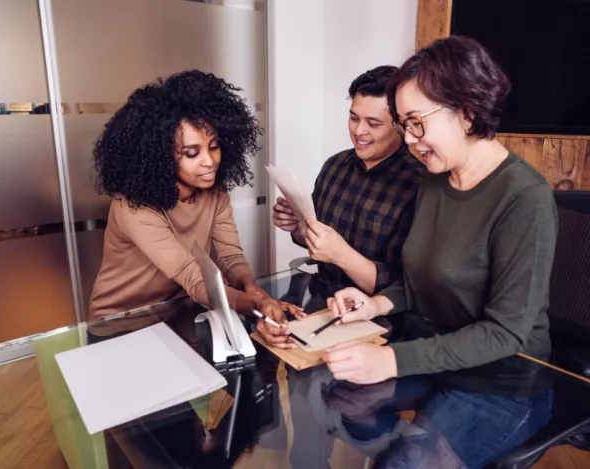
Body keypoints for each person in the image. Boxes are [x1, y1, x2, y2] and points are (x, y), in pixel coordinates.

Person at [323, 36, 557, 467]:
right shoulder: (435, 179)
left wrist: (391, 359)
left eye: (416, 122)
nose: (410, 139)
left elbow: (506, 334)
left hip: (503, 381)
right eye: (403, 123)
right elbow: (419, 281)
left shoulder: (525, 197)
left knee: (404, 461)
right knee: (339, 397)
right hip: (440, 357)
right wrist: (375, 303)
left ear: (467, 113)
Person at [89, 71, 303, 325]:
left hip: (180, 313)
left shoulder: (215, 192)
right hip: (121, 321)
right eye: (192, 153)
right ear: (161, 156)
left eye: (213, 146)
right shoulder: (134, 206)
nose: (209, 161)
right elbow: (192, 276)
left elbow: (229, 256)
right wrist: (256, 305)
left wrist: (253, 290)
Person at [271, 66, 423, 295]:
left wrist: (343, 256)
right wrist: (297, 227)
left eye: (373, 124)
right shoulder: (335, 167)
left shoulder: (419, 185)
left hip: (384, 319)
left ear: (401, 125)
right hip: (323, 301)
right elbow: (314, 242)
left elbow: (407, 287)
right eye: (353, 118)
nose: (359, 131)